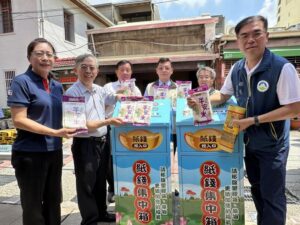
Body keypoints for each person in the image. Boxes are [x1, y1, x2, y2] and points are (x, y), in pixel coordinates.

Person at [210, 16, 300, 225]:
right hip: (249, 144)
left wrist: (254, 120)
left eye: (256, 33)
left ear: (266, 37)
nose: (250, 39)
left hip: (273, 144)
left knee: (273, 196)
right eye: (244, 36)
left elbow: (294, 108)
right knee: (258, 192)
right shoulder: (237, 69)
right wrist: (201, 100)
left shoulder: (281, 67)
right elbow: (222, 96)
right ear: (238, 42)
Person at [7, 38, 76, 225]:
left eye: (49, 54)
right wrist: (55, 133)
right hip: (30, 154)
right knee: (33, 205)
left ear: (54, 58)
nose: (45, 57)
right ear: (29, 57)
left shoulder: (56, 85)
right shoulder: (22, 82)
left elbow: (65, 114)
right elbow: (19, 120)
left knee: (54, 200)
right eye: (39, 53)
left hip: (53, 152)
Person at [65, 54, 123, 225]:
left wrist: (128, 96)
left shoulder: (100, 90)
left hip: (103, 142)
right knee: (86, 185)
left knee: (100, 182)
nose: (88, 71)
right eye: (84, 67)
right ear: (76, 69)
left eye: (92, 68)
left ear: (97, 71)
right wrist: (108, 121)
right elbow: (78, 124)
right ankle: (90, 219)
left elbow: (114, 98)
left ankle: (101, 213)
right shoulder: (72, 93)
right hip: (85, 144)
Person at [104, 60, 142, 203]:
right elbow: (103, 105)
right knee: (110, 158)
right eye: (122, 70)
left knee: (125, 157)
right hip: (110, 125)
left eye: (128, 70)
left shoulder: (135, 88)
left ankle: (127, 187)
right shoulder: (109, 87)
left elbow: (140, 106)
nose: (125, 73)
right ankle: (112, 188)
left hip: (128, 127)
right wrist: (117, 95)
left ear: (131, 72)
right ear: (116, 72)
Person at [144, 57, 178, 151]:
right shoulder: (150, 87)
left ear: (172, 71)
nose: (164, 70)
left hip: (174, 130)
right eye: (161, 68)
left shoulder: (178, 88)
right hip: (154, 128)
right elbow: (145, 106)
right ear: (156, 71)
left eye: (167, 68)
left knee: (173, 158)